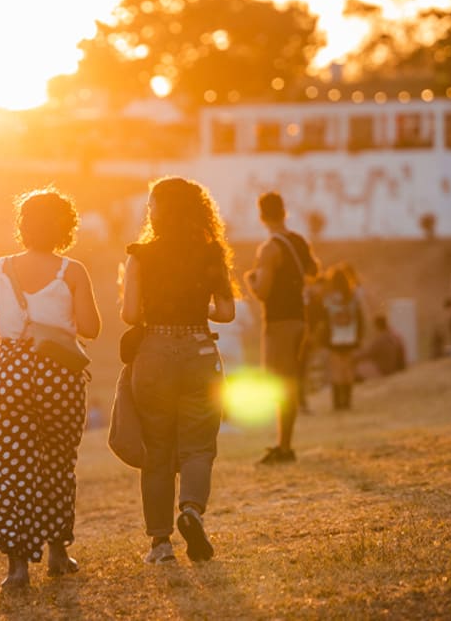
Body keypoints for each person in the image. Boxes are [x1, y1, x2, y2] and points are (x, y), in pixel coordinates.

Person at [0, 188, 100, 587]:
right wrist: (53, 326)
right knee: (58, 463)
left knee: (9, 467)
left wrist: (16, 327)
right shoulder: (72, 271)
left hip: (10, 373)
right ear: (66, 226)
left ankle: (17, 565)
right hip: (58, 376)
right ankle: (58, 552)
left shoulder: (0, 267)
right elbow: (91, 328)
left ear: (22, 225)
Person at [121, 177, 234, 564]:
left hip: (153, 355)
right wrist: (194, 306)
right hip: (200, 352)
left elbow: (130, 314)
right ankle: (192, 511)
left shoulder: (139, 256)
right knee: (199, 446)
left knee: (158, 450)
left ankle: (161, 544)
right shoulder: (211, 253)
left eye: (152, 204)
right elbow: (227, 312)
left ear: (160, 211)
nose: (148, 210)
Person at [245, 191, 318, 466]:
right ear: (284, 211)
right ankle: (284, 443)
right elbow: (313, 271)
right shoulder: (298, 241)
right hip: (300, 318)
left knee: (281, 384)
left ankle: (284, 447)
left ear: (262, 215)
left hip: (279, 323)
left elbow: (262, 291)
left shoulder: (269, 249)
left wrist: (250, 280)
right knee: (290, 381)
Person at [319, 265, 364, 410]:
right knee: (348, 372)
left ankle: (337, 402)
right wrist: (359, 337)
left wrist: (323, 340)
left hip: (334, 340)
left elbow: (324, 321)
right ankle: (347, 402)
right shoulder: (353, 298)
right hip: (350, 339)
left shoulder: (328, 299)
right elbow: (360, 319)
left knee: (336, 372)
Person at [355, 315, 407, 379]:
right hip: (393, 368)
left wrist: (351, 355)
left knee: (359, 368)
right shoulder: (392, 336)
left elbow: (366, 354)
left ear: (377, 326)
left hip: (384, 371)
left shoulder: (381, 339)